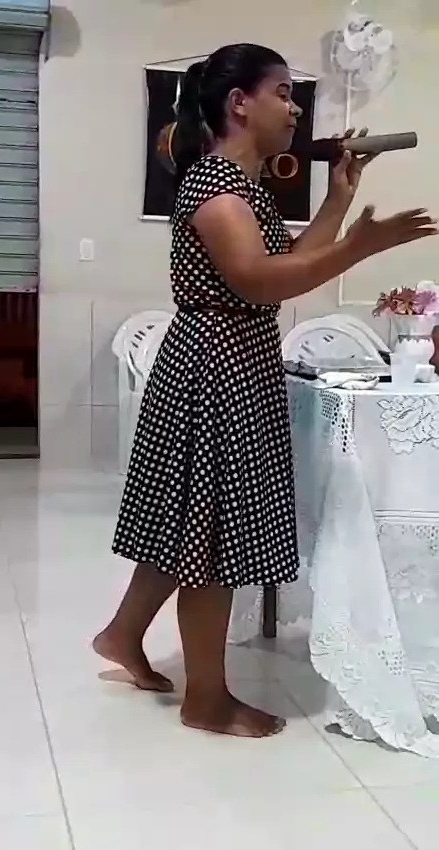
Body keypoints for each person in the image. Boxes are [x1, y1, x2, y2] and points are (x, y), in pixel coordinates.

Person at [94, 43, 438, 738]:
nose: (295, 108)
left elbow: (289, 264)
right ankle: (206, 700)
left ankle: (122, 636)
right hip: (213, 367)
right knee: (211, 536)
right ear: (239, 103)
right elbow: (257, 280)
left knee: (189, 524)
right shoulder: (215, 186)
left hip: (232, 359)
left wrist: (339, 200)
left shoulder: (244, 186)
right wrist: (359, 247)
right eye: (282, 92)